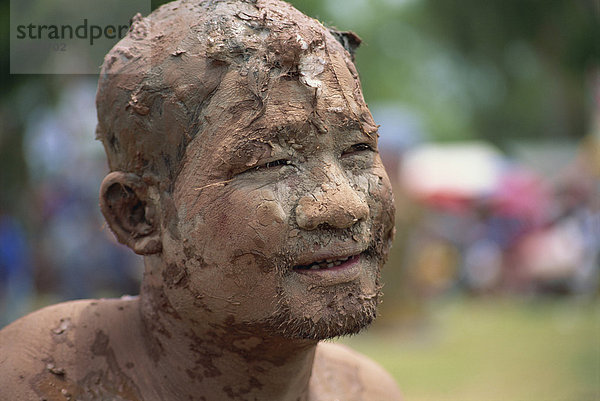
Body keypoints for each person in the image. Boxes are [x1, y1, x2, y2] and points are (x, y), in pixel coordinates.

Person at [0, 0, 400, 399]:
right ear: (138, 214)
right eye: (272, 163)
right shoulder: (36, 379)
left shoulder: (365, 391)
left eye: (357, 150)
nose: (346, 204)